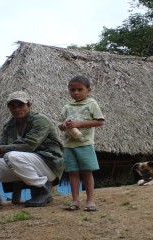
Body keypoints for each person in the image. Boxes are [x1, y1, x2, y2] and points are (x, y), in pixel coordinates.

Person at [0, 91, 65, 214]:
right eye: (12, 106)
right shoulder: (9, 125)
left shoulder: (40, 120)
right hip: (24, 164)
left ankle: (42, 190)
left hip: (49, 164)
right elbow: (0, 145)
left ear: (30, 105)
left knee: (12, 155)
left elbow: (29, 145)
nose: (16, 109)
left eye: (21, 105)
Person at [58, 75, 104, 212]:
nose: (76, 92)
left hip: (85, 144)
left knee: (86, 172)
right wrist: (63, 126)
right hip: (69, 145)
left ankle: (90, 201)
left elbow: (100, 121)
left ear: (88, 90)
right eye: (72, 90)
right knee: (73, 172)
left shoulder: (91, 104)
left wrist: (80, 123)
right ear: (68, 90)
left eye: (80, 89)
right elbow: (60, 123)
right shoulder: (67, 107)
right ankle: (75, 201)